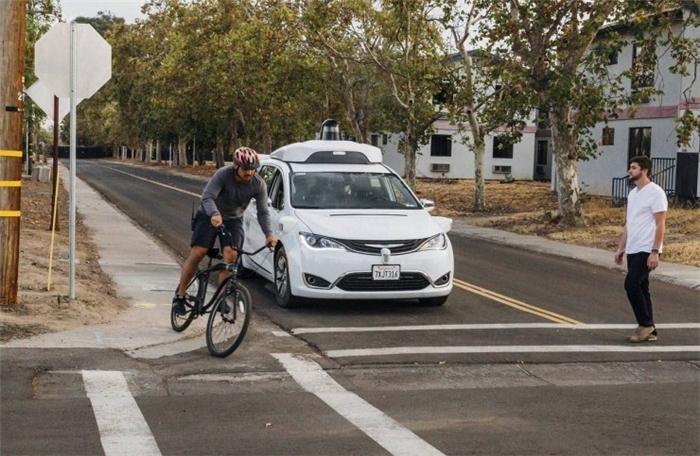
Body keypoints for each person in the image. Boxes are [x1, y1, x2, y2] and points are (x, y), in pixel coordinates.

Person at [172, 147, 277, 315]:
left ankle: (221, 298)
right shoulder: (223, 174)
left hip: (234, 220)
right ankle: (180, 295)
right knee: (199, 252)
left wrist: (269, 234)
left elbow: (263, 212)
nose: (249, 172)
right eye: (245, 169)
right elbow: (207, 197)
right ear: (236, 166)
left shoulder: (258, 184)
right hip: (209, 215)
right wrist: (214, 214)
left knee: (231, 256)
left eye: (252, 169)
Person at [614, 155, 667, 343]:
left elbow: (661, 224)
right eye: (630, 167)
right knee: (642, 287)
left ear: (644, 170)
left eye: (634, 167)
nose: (630, 171)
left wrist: (655, 251)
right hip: (633, 247)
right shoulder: (633, 193)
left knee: (631, 284)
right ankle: (650, 329)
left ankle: (645, 325)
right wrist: (621, 248)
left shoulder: (656, 192)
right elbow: (630, 223)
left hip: (647, 248)